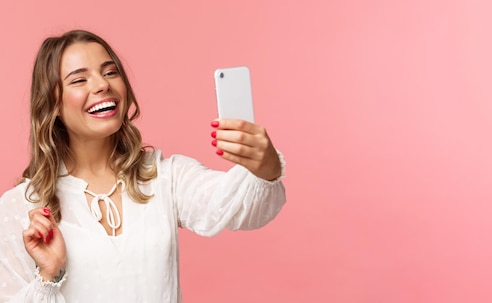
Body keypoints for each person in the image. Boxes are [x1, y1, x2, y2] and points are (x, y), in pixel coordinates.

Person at [0, 29, 286, 302]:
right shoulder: (21, 208)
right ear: (51, 102)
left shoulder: (165, 177)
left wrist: (266, 165)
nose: (102, 85)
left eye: (110, 72)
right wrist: (49, 276)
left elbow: (241, 208)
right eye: (79, 80)